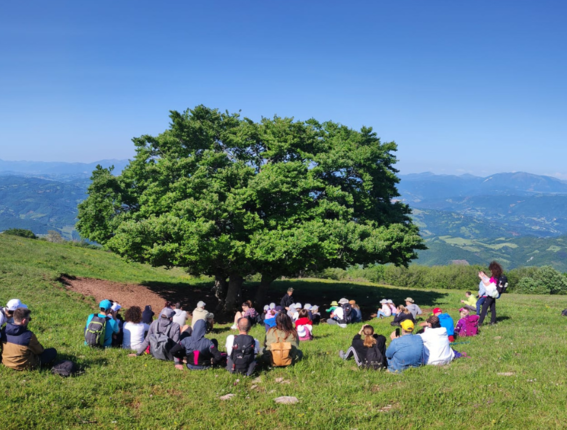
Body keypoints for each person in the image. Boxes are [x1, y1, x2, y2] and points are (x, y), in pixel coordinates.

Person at [478, 261, 507, 326]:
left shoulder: (495, 278)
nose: (490, 271)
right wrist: (484, 275)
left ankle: (480, 323)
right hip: (494, 294)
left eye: (491, 270)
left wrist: (481, 278)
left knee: (484, 308)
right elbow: (489, 279)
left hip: (490, 295)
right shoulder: (497, 277)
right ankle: (493, 321)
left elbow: (487, 283)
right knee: (492, 308)